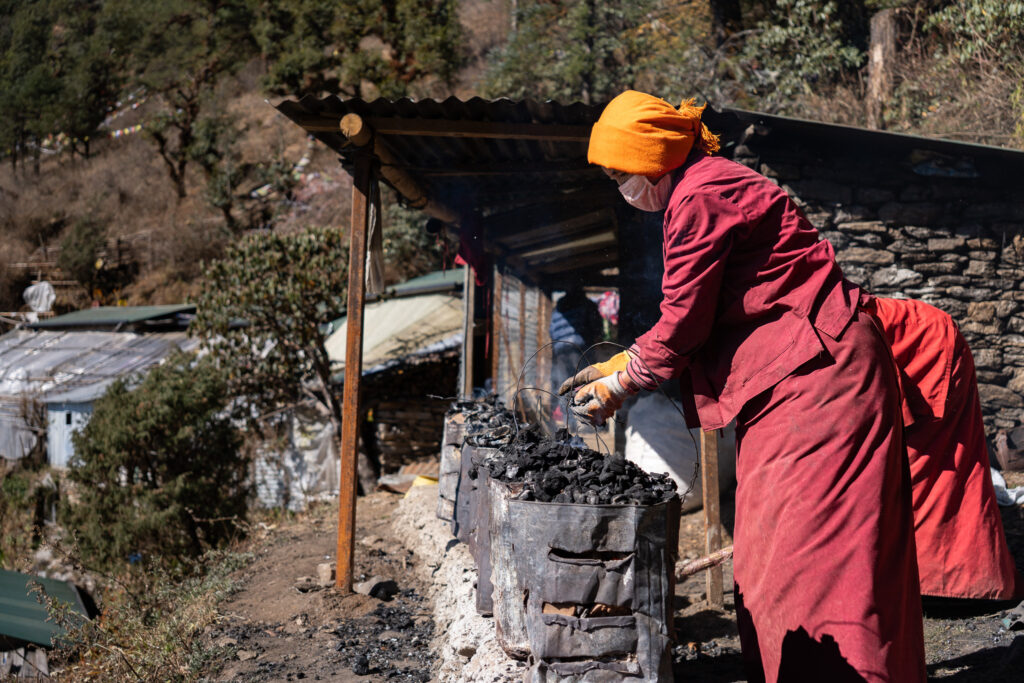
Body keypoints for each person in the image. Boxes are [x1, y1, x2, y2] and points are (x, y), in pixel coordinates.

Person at [559, 90, 926, 682]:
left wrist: (624, 381)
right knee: (766, 554)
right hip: (793, 378)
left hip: (821, 379)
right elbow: (696, 309)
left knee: (816, 558)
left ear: (649, 162)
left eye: (619, 175)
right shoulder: (703, 187)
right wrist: (630, 355)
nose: (619, 188)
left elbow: (685, 319)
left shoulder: (701, 196)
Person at [867, 296, 1023, 604]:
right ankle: (939, 580)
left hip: (934, 354)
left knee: (938, 468)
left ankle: (954, 582)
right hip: (917, 351)